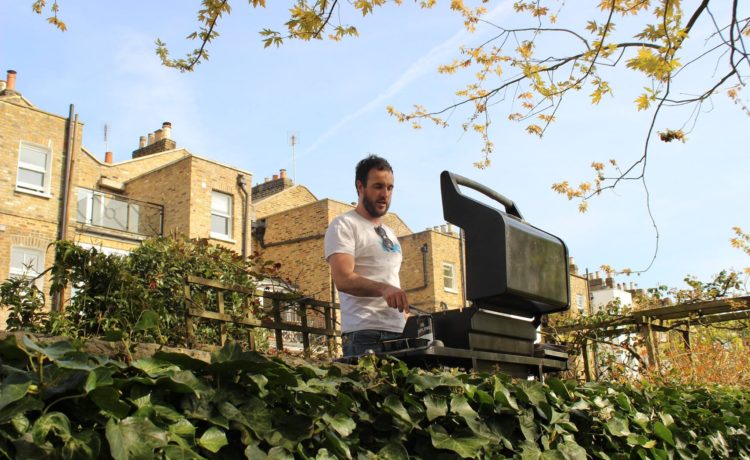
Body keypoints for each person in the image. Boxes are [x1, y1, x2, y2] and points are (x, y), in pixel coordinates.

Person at [324, 155, 410, 357]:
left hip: (399, 332)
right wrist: (385, 289)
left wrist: (407, 316)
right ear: (360, 186)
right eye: (378, 186)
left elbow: (389, 280)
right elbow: (343, 279)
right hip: (365, 335)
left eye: (390, 188)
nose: (385, 194)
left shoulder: (391, 234)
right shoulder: (344, 225)